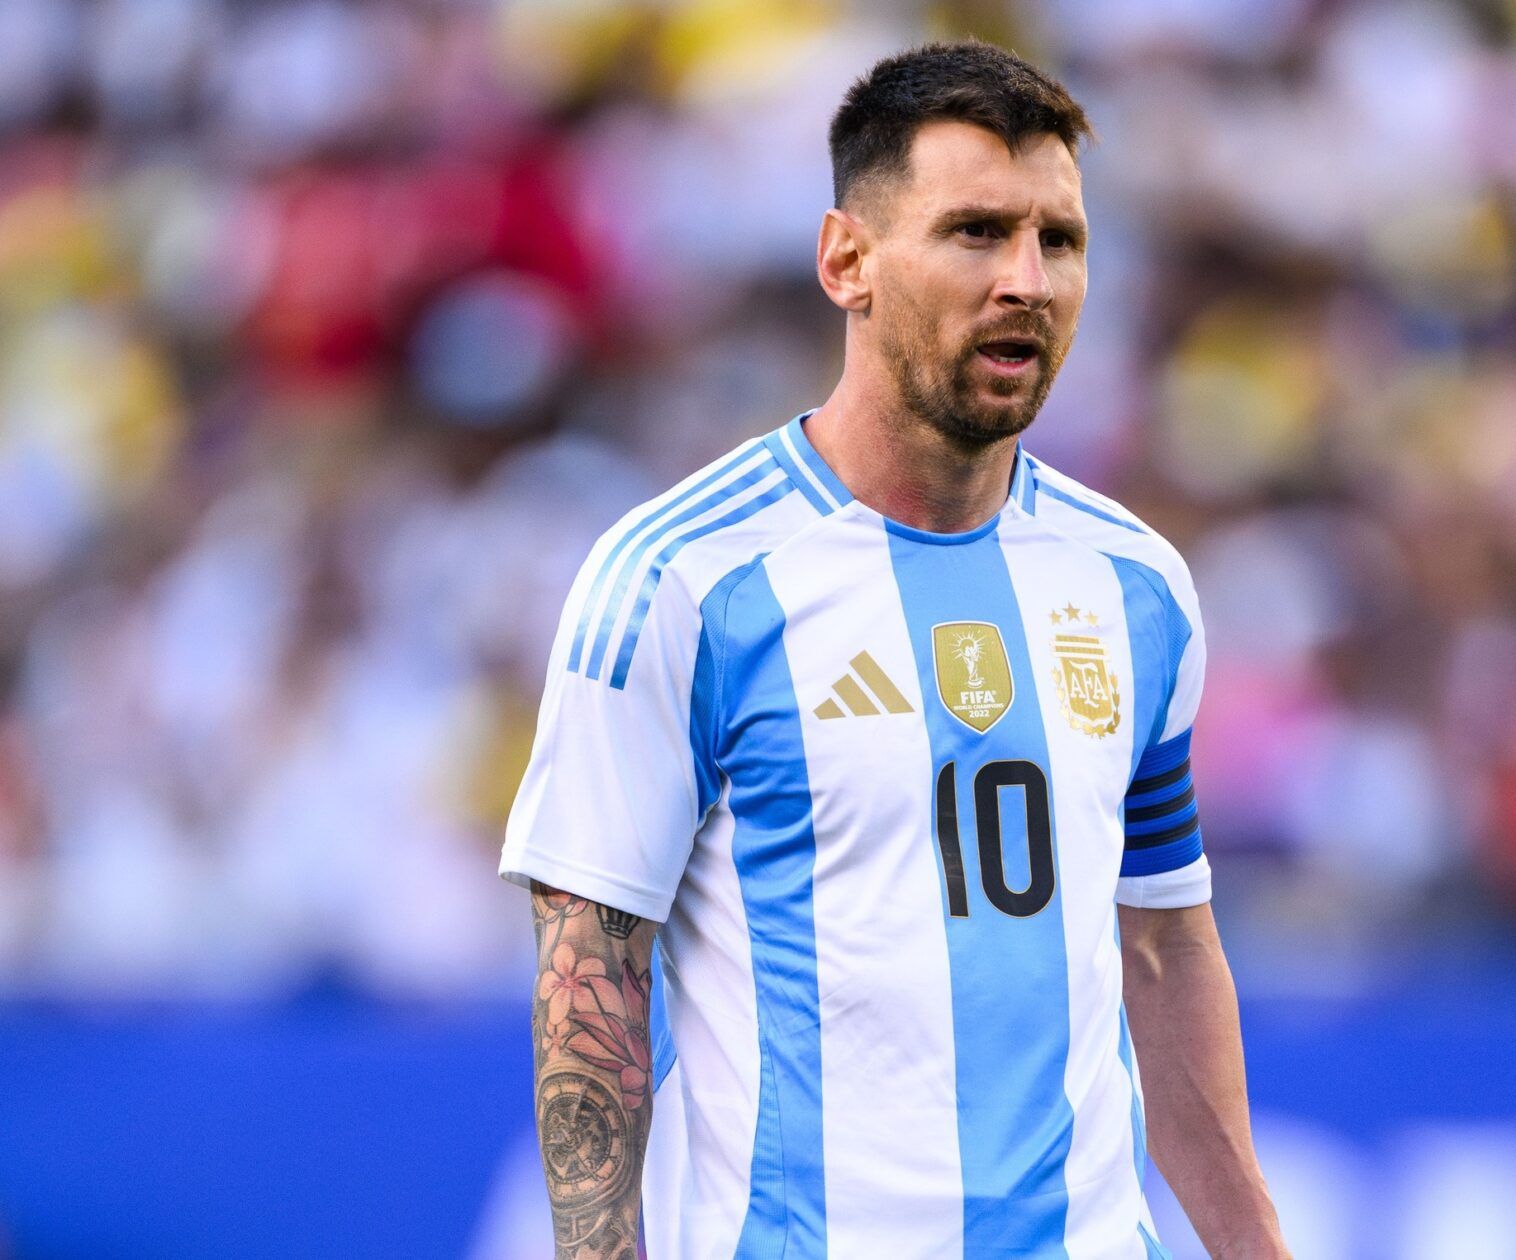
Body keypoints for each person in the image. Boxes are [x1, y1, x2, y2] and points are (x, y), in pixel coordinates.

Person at [501, 39, 1291, 1260]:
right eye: (976, 232)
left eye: (1060, 241)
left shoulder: (1137, 588)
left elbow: (1163, 941)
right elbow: (590, 979)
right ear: (847, 261)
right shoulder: (685, 581)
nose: (1028, 279)